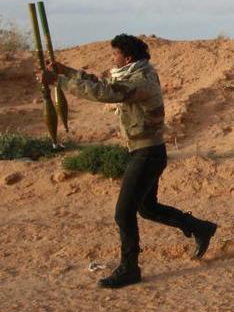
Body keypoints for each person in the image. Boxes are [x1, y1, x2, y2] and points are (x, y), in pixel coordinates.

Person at [37, 34, 218, 289]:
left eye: (115, 55)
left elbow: (105, 92)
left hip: (148, 153)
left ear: (128, 57)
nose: (113, 59)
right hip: (145, 152)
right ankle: (200, 227)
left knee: (123, 213)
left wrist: (59, 81)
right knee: (147, 208)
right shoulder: (133, 74)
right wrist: (66, 72)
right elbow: (102, 82)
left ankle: (129, 268)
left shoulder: (141, 80)